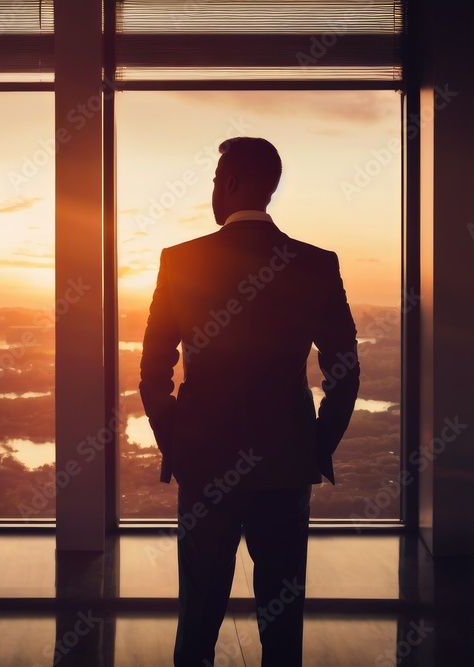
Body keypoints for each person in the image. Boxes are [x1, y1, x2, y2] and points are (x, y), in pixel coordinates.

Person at [139, 136, 360, 666]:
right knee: (282, 616)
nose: (213, 189)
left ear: (233, 182)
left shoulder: (180, 261)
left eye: (216, 179)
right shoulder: (315, 264)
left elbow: (152, 371)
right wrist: (314, 447)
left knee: (198, 611)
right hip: (285, 466)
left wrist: (178, 440)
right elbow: (344, 373)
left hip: (204, 465)